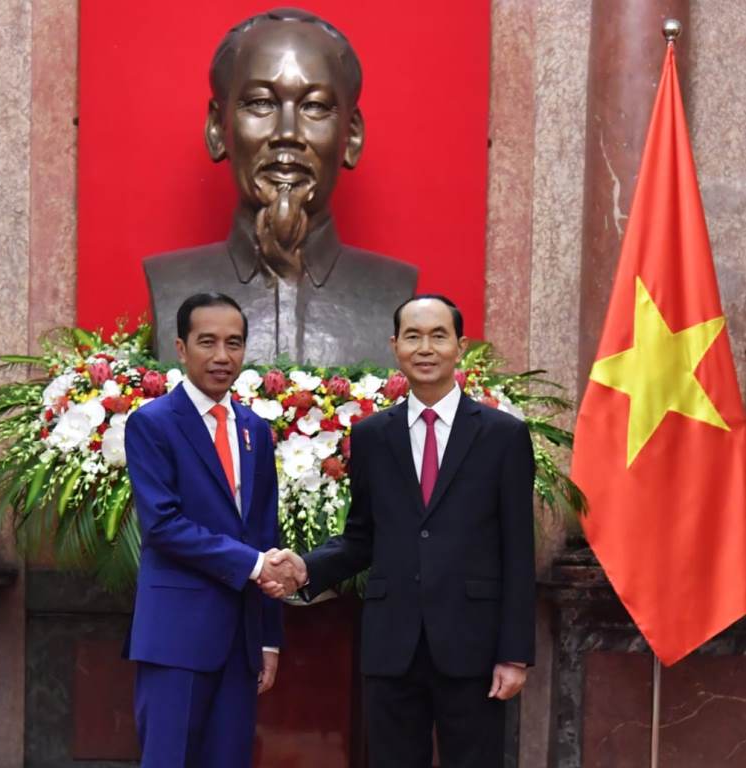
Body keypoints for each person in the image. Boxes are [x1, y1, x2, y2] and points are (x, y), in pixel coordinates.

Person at [267, 295, 536, 768]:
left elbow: (518, 550)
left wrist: (514, 654)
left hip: (472, 645)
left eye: (438, 336)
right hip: (392, 645)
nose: (425, 348)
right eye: (413, 336)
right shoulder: (372, 436)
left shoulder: (502, 436)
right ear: (395, 346)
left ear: (460, 346)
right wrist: (306, 568)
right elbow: (362, 537)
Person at [144, 8, 417, 366]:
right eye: (261, 103)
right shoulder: (170, 284)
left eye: (315, 107)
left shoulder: (394, 291)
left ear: (351, 136)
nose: (287, 133)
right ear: (217, 129)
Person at [123, 292, 294, 768]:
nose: (222, 356)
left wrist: (268, 638)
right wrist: (255, 565)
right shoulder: (152, 424)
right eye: (208, 342)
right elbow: (163, 525)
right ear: (181, 348)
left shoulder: (255, 429)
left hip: (241, 642)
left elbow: (265, 531)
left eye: (233, 343)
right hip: (175, 637)